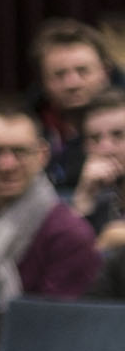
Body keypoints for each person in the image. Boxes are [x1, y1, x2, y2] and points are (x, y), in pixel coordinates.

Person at [0, 110, 104, 300]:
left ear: (42, 155)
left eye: (20, 152)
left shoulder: (69, 234)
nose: (7, 165)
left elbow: (58, 321)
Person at [28, 19, 125, 196]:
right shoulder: (29, 124)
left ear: (105, 71)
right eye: (60, 74)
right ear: (42, 81)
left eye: (83, 71)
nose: (73, 83)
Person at [67, 89, 125, 253]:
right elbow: (65, 260)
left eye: (118, 135)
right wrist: (84, 197)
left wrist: (113, 237)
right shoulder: (98, 203)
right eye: (95, 138)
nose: (105, 148)